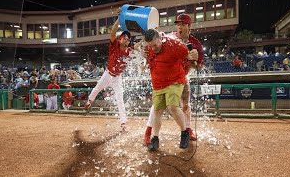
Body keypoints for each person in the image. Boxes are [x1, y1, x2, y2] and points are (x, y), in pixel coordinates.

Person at [143, 13, 204, 146]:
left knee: (185, 105)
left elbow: (199, 65)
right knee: (156, 107)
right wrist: (144, 52)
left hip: (181, 76)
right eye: (178, 24)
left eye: (182, 24)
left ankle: (187, 129)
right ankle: (149, 132)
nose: (179, 27)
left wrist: (192, 59)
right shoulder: (168, 38)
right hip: (163, 77)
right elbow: (150, 45)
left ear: (188, 26)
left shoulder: (195, 44)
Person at [84, 9, 140, 132]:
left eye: (128, 39)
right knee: (97, 88)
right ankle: (89, 100)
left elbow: (137, 46)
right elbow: (113, 32)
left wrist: (146, 38)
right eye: (125, 37)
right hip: (108, 74)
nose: (127, 40)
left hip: (117, 77)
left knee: (120, 99)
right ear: (120, 39)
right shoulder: (114, 46)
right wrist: (119, 18)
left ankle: (123, 123)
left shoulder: (128, 50)